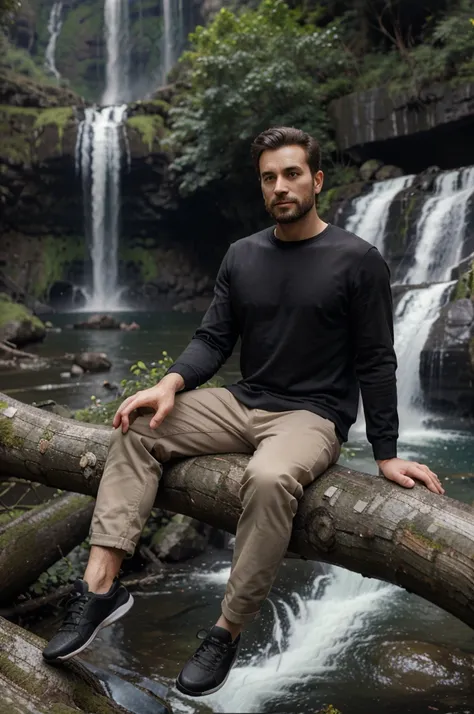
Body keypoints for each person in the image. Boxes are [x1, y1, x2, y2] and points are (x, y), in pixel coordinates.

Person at [42, 126, 444, 696]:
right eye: (269, 178)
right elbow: (213, 339)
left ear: (316, 180)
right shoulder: (243, 255)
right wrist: (169, 384)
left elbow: (377, 361)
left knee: (270, 476)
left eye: (292, 174)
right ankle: (101, 589)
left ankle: (226, 631)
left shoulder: (359, 261)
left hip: (313, 415)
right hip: (243, 400)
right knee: (135, 427)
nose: (281, 187)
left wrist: (387, 454)